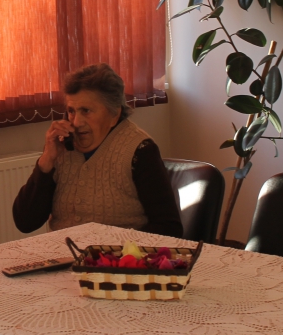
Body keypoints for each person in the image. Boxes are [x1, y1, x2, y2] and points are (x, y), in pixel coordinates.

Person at [12, 63, 182, 237]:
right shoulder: (62, 148)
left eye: (86, 111)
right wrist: (46, 161)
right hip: (63, 250)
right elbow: (25, 222)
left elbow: (169, 229)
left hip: (118, 253)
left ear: (114, 114)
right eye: (71, 111)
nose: (76, 122)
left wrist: (114, 247)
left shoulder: (140, 151)